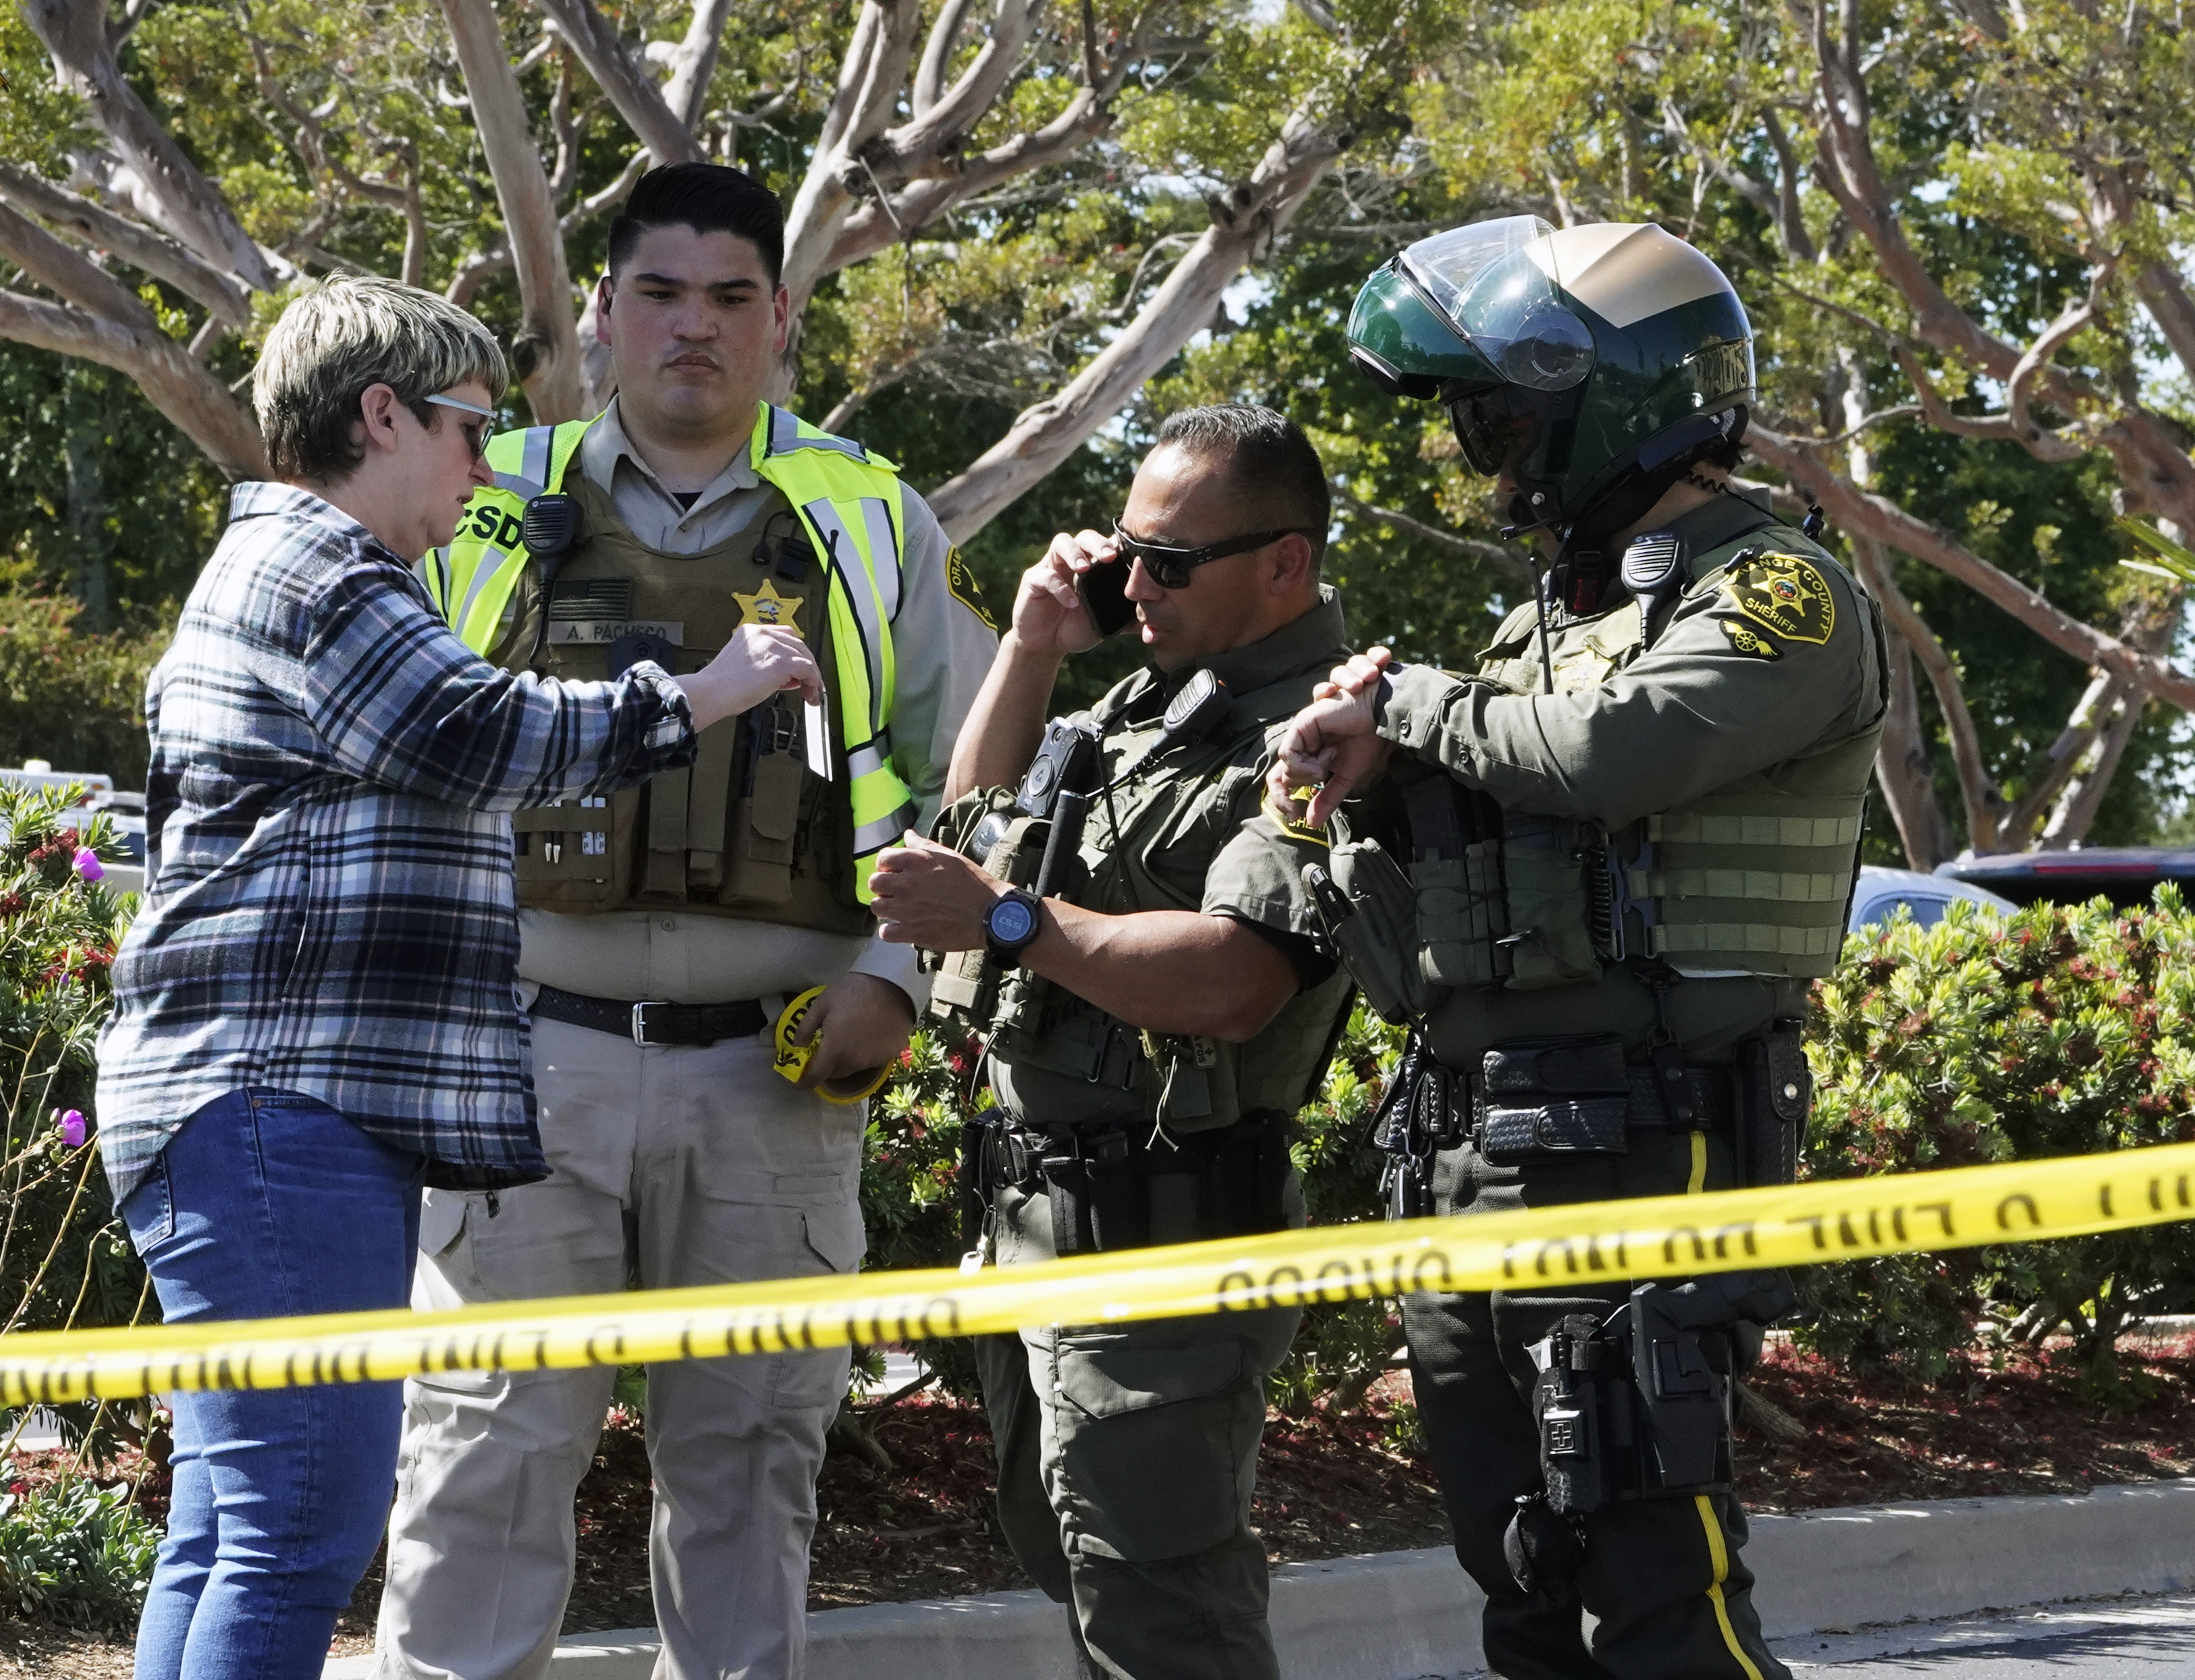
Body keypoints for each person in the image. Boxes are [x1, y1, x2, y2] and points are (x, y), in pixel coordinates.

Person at [93, 276, 823, 1680]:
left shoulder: (282, 564)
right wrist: (706, 690)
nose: (487, 469)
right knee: (299, 1526)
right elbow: (479, 734)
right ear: (382, 415)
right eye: (471, 429)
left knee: (232, 1528)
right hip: (279, 1114)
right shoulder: (322, 571)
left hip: (244, 1113)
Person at [375, 165, 997, 1680]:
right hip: (523, 1062)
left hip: (775, 1071)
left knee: (748, 1476)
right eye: (659, 293)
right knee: (479, 1469)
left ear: (781, 317)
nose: (693, 329)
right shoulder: (479, 491)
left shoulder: (870, 514)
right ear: (603, 311)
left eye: (730, 298)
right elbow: (379, 742)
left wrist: (897, 976)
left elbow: (975, 771)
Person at [1268, 219, 1889, 1680]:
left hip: (1641, 1129)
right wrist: (1356, 773)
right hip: (1471, 1142)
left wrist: (1402, 704)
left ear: (1610, 399)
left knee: (1653, 1572)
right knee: (1523, 1569)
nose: (1492, 463)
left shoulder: (1777, 592)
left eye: (1506, 422)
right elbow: (1492, 809)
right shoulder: (1545, 623)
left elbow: (1613, 753)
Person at [867, 404, 1357, 1680]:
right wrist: (1031, 646)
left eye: (1171, 562)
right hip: (1043, 1222)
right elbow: (978, 823)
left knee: (1165, 1618)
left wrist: (1010, 919)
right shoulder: (1157, 700)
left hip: (1163, 1240)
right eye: (1128, 554)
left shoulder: (1318, 732)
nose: (1134, 586)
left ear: (1285, 564)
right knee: (1084, 1572)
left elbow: (1235, 979)